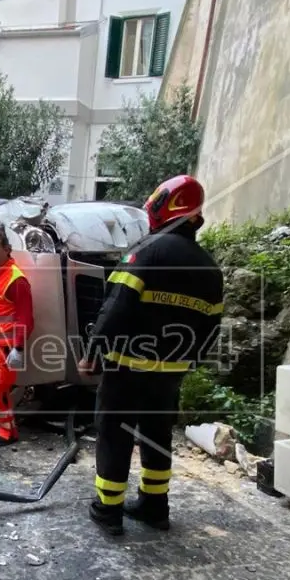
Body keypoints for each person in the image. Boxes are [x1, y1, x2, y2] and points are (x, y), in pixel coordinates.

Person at [78, 175, 224, 535]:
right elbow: (211, 328)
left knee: (115, 435)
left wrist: (92, 352)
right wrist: (187, 363)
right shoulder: (211, 270)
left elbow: (115, 308)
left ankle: (108, 511)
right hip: (169, 375)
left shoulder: (146, 252)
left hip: (127, 369)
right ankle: (155, 507)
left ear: (163, 208)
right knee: (157, 437)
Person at [0, 228, 34, 447]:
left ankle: (8, 432)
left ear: (7, 250)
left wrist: (18, 348)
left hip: (4, 347)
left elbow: (25, 317)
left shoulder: (15, 279)